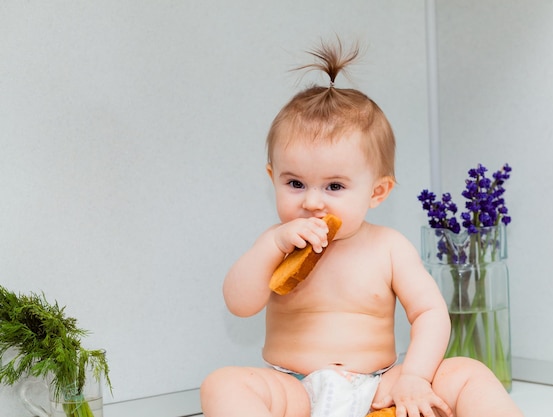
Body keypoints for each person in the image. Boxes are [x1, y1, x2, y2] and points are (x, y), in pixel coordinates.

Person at [200, 39, 524, 417]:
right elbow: (239, 304)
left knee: (467, 374)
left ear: (377, 191)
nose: (312, 202)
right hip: (296, 389)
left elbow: (430, 313)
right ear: (273, 178)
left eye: (334, 186)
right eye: (295, 184)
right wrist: (271, 245)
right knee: (222, 384)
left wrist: (414, 377)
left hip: (378, 388)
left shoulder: (389, 247)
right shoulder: (275, 243)